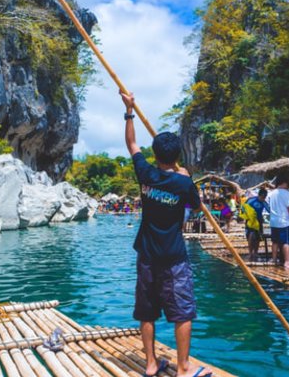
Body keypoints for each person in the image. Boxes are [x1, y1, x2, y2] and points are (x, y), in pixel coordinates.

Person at [120, 91, 210, 377]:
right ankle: (183, 368)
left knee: (147, 312)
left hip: (146, 254)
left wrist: (130, 111)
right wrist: (185, 177)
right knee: (182, 311)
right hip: (173, 257)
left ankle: (150, 364)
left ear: (155, 154)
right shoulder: (183, 183)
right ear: (177, 156)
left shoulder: (145, 174)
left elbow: (132, 143)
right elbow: (196, 208)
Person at [267, 176, 289, 271]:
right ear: (284, 183)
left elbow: (268, 206)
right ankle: (287, 261)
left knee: (275, 241)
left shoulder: (271, 193)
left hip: (273, 221)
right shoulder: (286, 193)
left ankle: (274, 259)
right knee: (286, 242)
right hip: (284, 221)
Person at [241, 189, 268, 262]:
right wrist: (243, 216)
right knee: (250, 236)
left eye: (264, 197)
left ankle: (255, 252)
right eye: (262, 197)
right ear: (259, 195)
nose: (263, 199)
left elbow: (269, 210)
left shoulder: (264, 202)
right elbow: (243, 207)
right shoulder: (251, 200)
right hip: (250, 220)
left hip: (259, 221)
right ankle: (250, 253)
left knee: (258, 237)